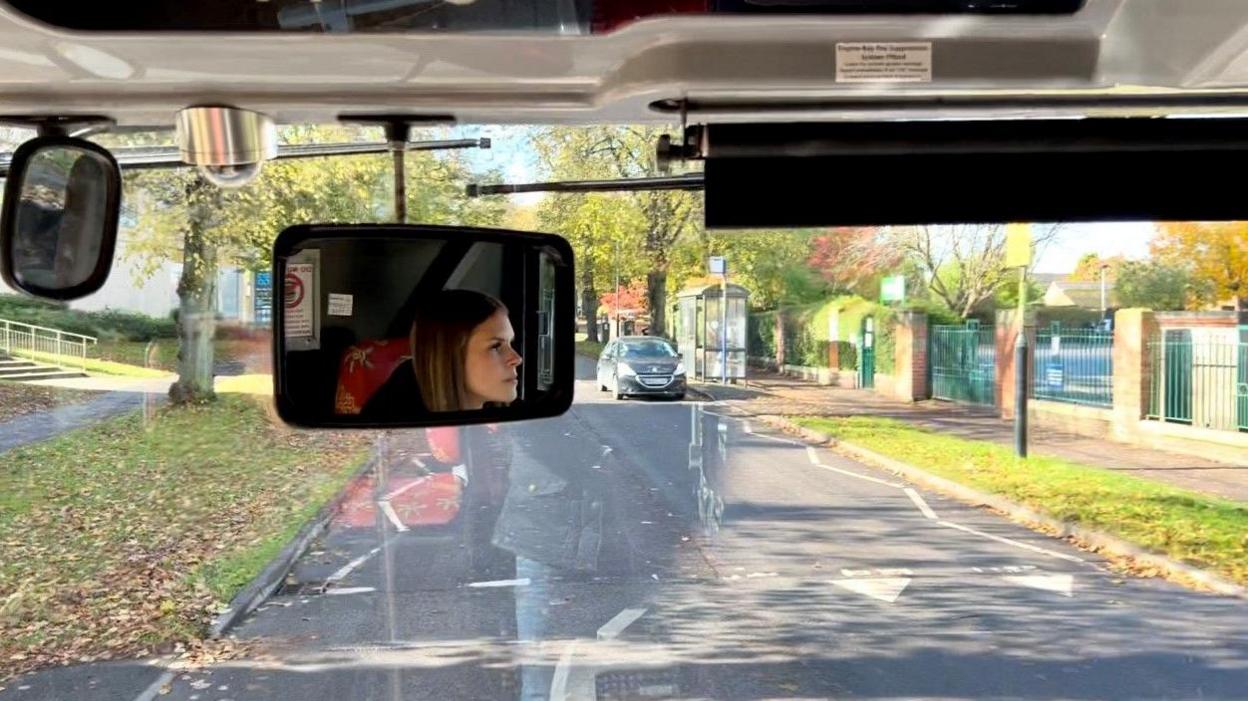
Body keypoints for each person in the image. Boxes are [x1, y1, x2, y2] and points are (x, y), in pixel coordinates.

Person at [362, 289, 522, 417]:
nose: (517, 359)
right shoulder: (398, 430)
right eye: (495, 346)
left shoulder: (508, 421)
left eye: (510, 343)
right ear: (450, 356)